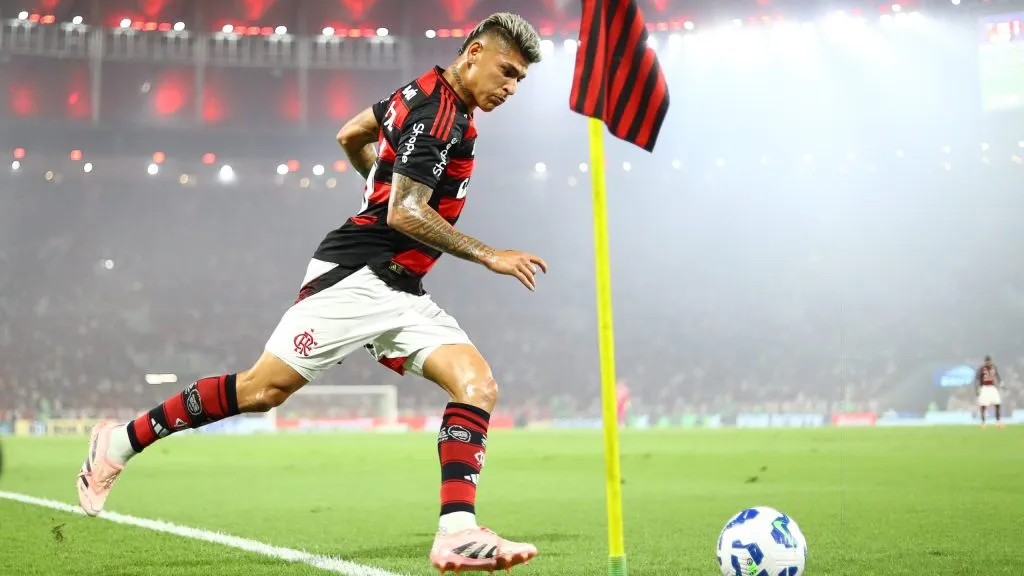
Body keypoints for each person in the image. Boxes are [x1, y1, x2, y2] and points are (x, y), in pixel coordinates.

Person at [76, 13, 545, 573]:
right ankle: (119, 442)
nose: (511, 88)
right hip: (356, 276)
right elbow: (405, 211)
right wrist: (489, 253)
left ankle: (457, 532)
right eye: (507, 71)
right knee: (261, 391)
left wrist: (377, 182)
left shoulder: (420, 93)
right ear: (473, 53)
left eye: (520, 80)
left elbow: (351, 134)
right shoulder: (438, 115)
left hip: (401, 286)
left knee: (477, 384)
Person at [976, 355, 1003, 428]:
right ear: (985, 362)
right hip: (984, 387)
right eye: (987, 361)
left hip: (992, 387)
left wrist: (1001, 383)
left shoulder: (994, 367)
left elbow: (997, 376)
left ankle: (998, 422)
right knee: (983, 405)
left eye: (989, 361)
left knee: (997, 403)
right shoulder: (981, 369)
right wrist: (977, 388)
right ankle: (983, 422)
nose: (988, 363)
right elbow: (977, 378)